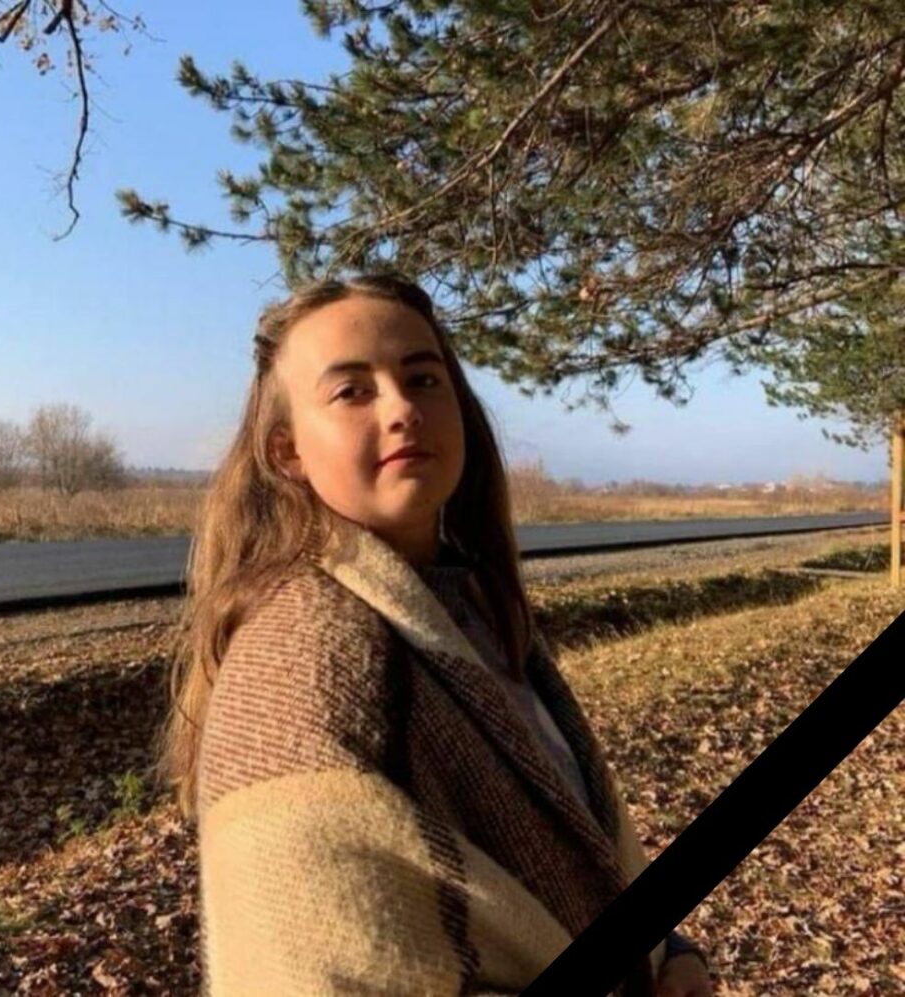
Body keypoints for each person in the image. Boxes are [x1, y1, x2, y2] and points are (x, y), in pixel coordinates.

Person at [155, 273, 713, 996]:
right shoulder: (300, 655)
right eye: (352, 391)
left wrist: (673, 953)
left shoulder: (470, 608)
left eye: (422, 378)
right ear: (288, 451)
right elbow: (304, 973)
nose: (402, 410)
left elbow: (580, 848)